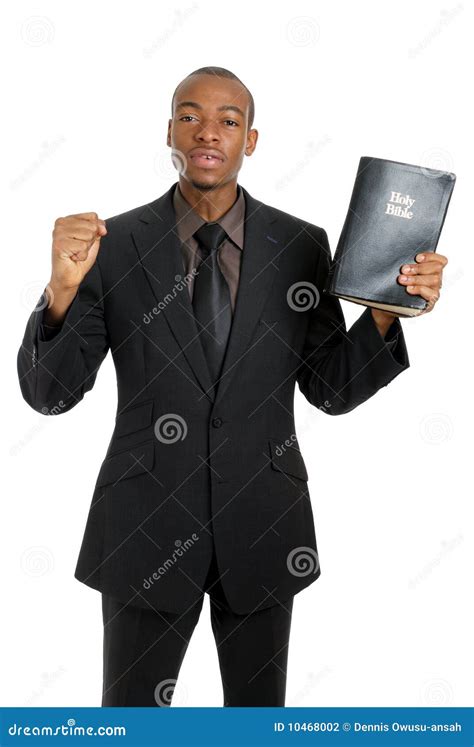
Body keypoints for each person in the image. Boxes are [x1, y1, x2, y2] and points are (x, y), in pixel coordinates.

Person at [17, 66, 447, 707]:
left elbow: (331, 389)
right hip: (143, 530)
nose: (207, 132)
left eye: (228, 119)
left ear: (251, 140)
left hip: (263, 529)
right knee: (133, 723)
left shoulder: (300, 246)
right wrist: (60, 292)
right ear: (168, 131)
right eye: (189, 117)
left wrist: (387, 309)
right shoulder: (113, 245)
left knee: (257, 724)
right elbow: (49, 395)